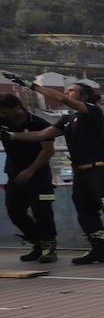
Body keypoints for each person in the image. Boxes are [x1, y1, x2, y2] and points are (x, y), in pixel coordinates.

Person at [0, 73, 104, 264]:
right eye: (68, 90)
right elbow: (42, 135)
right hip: (81, 172)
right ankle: (98, 249)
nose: (68, 92)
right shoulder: (68, 120)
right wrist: (12, 136)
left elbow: (60, 98)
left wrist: (31, 86)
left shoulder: (92, 112)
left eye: (73, 90)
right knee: (84, 210)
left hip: (99, 169)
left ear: (84, 96)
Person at [0, 93, 58, 263]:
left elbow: (48, 150)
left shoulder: (39, 124)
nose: (2, 116)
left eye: (4, 112)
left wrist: (30, 170)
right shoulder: (3, 123)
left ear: (16, 107)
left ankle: (49, 247)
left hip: (38, 176)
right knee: (14, 212)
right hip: (14, 176)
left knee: (43, 212)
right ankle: (37, 243)